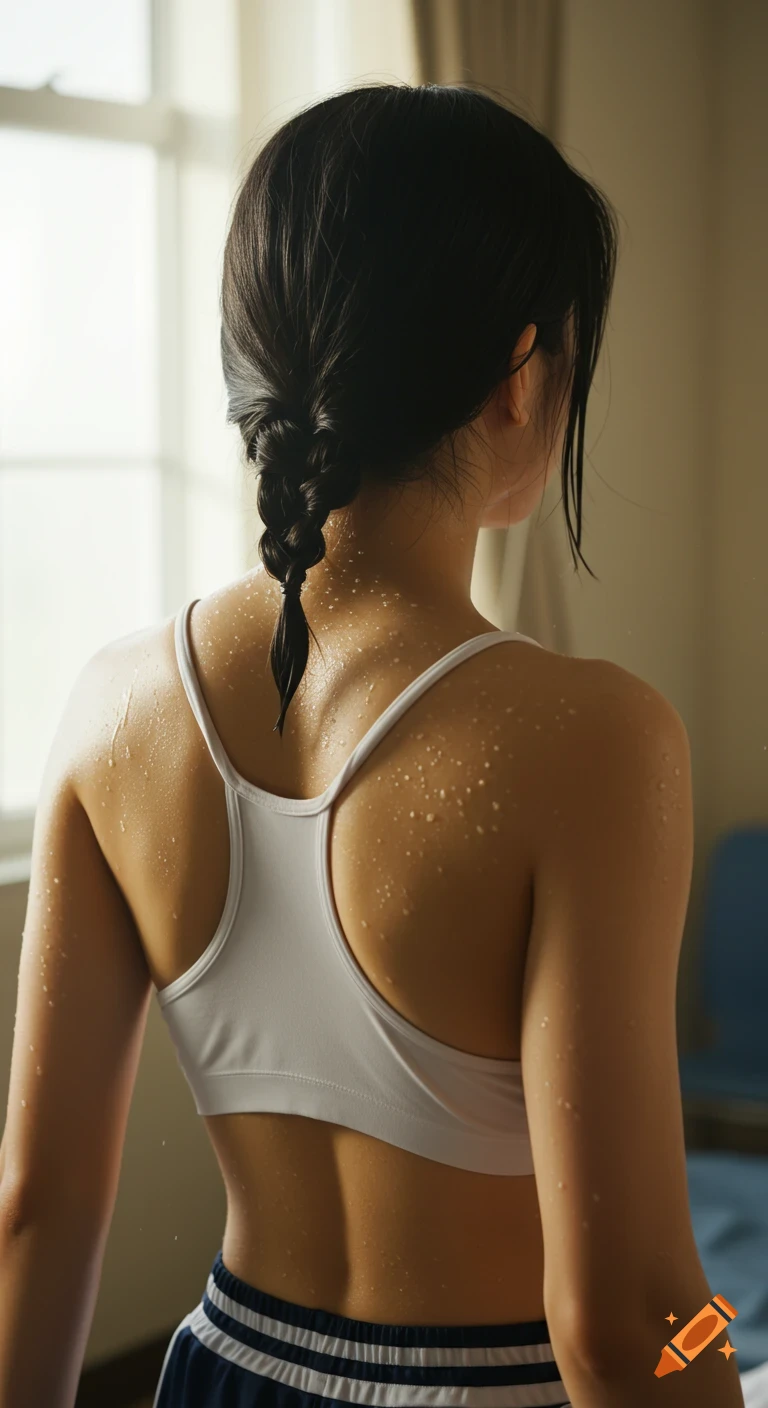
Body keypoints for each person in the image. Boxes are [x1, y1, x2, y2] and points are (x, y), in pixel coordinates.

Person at [0, 83, 745, 1408]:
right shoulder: (594, 741)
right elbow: (636, 1317)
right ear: (523, 376)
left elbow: (32, 1217)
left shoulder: (111, 709)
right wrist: (721, 1350)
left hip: (221, 1372)